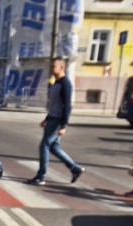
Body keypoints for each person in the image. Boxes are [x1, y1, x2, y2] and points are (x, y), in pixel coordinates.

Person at [28, 56, 84, 186]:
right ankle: (75, 168)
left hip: (57, 120)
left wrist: (63, 125)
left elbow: (67, 105)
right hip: (52, 118)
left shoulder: (65, 83)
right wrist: (46, 119)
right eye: (51, 66)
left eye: (54, 66)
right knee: (53, 147)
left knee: (44, 146)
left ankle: (41, 176)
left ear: (62, 67)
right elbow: (54, 104)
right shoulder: (56, 82)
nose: (52, 69)